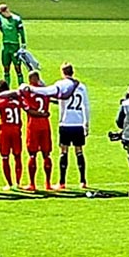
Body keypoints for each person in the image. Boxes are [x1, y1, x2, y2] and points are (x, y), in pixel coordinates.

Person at [48, 60, 92, 193]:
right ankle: (83, 181)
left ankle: (62, 182)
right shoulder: (82, 87)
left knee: (64, 151)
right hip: (78, 123)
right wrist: (86, 123)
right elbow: (86, 106)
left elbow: (58, 98)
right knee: (79, 151)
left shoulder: (61, 84)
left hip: (66, 123)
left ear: (62, 72)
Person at [20, 71, 57, 190]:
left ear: (31, 80)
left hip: (34, 124)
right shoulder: (45, 92)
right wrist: (45, 113)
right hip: (45, 123)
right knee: (47, 154)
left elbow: (28, 110)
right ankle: (48, 184)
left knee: (32, 154)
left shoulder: (28, 92)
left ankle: (32, 184)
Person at [0, 75, 26, 189]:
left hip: (5, 130)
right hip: (16, 130)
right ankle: (18, 182)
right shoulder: (16, 101)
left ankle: (9, 184)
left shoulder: (1, 101)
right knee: (17, 156)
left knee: (5, 157)